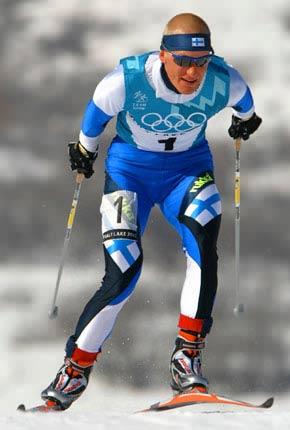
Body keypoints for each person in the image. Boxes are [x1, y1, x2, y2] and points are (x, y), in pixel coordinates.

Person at [41, 13, 262, 410]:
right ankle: (73, 372)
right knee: (124, 270)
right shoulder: (126, 80)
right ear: (163, 55)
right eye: (183, 61)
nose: (193, 72)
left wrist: (245, 123)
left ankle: (186, 359)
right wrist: (84, 150)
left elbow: (245, 104)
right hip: (129, 174)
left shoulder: (223, 79)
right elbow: (96, 114)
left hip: (187, 171)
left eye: (201, 62)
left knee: (203, 245)